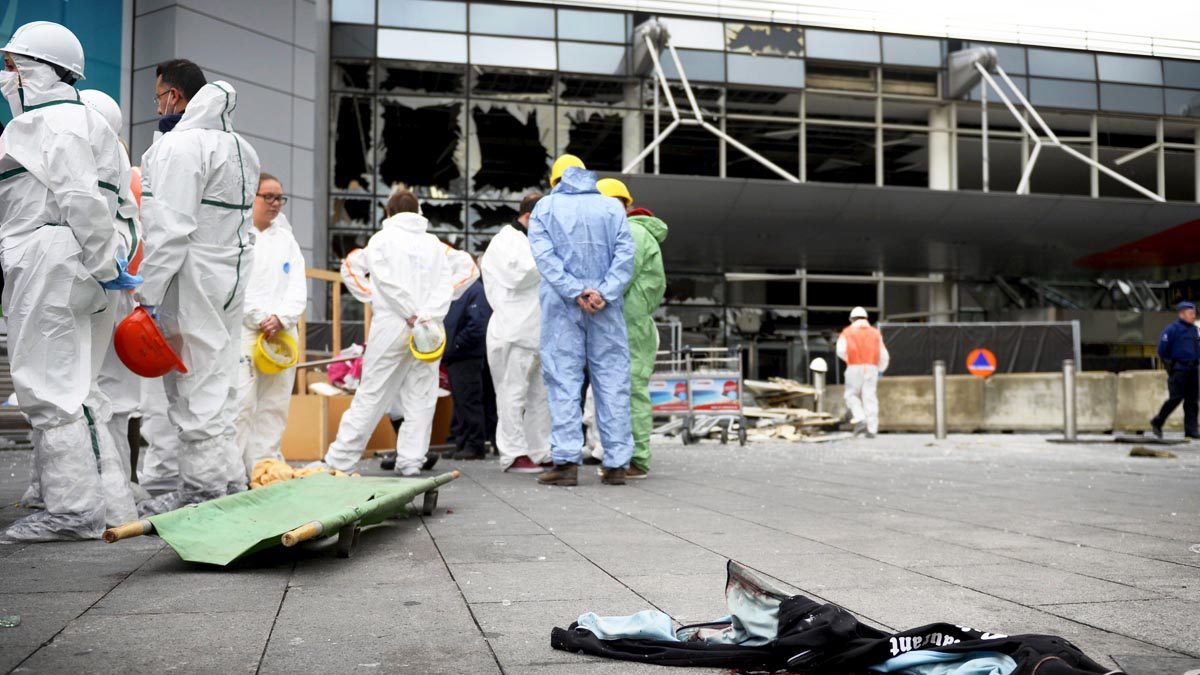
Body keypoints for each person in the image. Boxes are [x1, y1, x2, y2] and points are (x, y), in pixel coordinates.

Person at [0, 22, 143, 541]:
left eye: (14, 65)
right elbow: (115, 207)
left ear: (37, 70)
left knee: (49, 388)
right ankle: (110, 503)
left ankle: (71, 512)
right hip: (75, 259)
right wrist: (109, 268)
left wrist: (103, 266)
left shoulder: (50, 124)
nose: (7, 75)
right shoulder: (80, 121)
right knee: (80, 390)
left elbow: (80, 200)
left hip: (53, 256)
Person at [135, 61, 262, 514]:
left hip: (192, 278)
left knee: (194, 387)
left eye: (159, 96)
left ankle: (203, 492)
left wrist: (146, 295)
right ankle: (226, 480)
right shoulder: (244, 149)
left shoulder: (181, 146)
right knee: (220, 382)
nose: (158, 106)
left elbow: (169, 230)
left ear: (176, 96)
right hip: (230, 274)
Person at [321, 190, 452, 476]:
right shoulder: (434, 244)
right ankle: (411, 462)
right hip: (429, 327)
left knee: (372, 392)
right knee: (421, 395)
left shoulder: (382, 240)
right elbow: (446, 283)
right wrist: (428, 315)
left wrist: (408, 312)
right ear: (418, 212)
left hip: (394, 321)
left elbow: (385, 280)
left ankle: (340, 459)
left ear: (389, 212)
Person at [530, 155, 635, 487]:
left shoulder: (544, 209)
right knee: (613, 382)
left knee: (563, 381)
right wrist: (604, 292)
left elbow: (545, 259)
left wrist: (576, 291)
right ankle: (617, 463)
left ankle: (566, 463)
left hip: (563, 306)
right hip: (606, 307)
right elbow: (624, 255)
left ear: (555, 180)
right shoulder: (612, 208)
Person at [233, 173, 307, 475]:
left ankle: (265, 468)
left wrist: (281, 318)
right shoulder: (238, 236)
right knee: (241, 402)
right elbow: (236, 283)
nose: (275, 204)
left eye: (280, 198)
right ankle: (234, 473)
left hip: (282, 331)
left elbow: (297, 285)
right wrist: (259, 317)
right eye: (269, 197)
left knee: (274, 405)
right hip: (247, 330)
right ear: (253, 196)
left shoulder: (286, 239)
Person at [596, 178, 668, 480]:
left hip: (630, 326)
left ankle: (637, 458)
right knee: (625, 391)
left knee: (632, 392)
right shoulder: (630, 231)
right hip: (629, 324)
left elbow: (621, 276)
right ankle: (628, 455)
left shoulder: (633, 232)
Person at [482, 193, 552, 473]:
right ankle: (512, 453)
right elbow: (520, 275)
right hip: (513, 330)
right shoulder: (505, 241)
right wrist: (551, 256)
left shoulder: (529, 240)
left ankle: (540, 450)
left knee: (540, 396)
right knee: (512, 394)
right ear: (531, 216)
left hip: (537, 330)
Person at [443, 270, 493, 460]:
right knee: (461, 402)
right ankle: (462, 443)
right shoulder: (461, 289)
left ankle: (474, 445)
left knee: (469, 401)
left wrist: (455, 344)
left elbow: (478, 325)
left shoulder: (474, 290)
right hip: (457, 354)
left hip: (466, 355)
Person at [836, 306, 890, 438]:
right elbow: (884, 355)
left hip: (854, 366)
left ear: (852, 319)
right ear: (866, 318)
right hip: (871, 367)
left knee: (851, 395)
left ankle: (861, 418)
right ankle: (872, 429)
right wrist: (880, 368)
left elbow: (840, 350)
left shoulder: (847, 332)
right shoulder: (875, 333)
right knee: (869, 397)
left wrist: (850, 360)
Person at [1150, 301, 1200, 439]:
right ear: (1182, 314)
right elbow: (1162, 350)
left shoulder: (1194, 330)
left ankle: (1191, 430)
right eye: (1191, 313)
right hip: (1179, 369)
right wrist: (1170, 366)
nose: (1193, 316)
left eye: (1194, 313)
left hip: (1193, 369)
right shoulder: (1172, 329)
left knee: (1192, 401)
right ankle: (1157, 422)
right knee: (1176, 398)